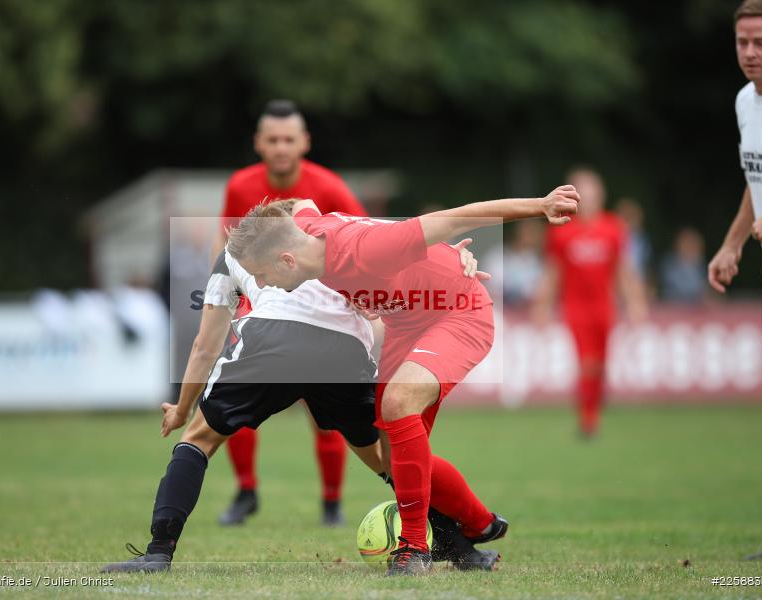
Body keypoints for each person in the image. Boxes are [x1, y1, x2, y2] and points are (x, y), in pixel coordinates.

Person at [101, 201, 500, 573]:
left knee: (199, 439)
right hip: (343, 350)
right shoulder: (318, 233)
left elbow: (206, 345)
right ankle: (463, 549)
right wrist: (452, 256)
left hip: (273, 341)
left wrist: (184, 407)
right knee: (385, 459)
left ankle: (158, 552)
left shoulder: (230, 258)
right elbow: (385, 236)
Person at [226, 186, 580, 574]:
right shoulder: (304, 230)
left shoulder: (367, 247)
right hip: (406, 325)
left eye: (262, 275)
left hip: (458, 312)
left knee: (398, 403)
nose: (262, 284)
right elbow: (299, 203)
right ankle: (481, 522)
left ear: (286, 260)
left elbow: (459, 216)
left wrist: (541, 206)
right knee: (393, 461)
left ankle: (414, 548)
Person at [210, 99, 368, 527]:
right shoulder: (240, 185)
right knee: (237, 399)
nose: (281, 147)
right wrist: (220, 298)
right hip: (259, 305)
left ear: (304, 143)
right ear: (259, 143)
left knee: (325, 409)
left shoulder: (330, 186)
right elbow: (226, 249)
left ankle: (332, 503)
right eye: (273, 139)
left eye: (288, 139)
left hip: (317, 310)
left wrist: (362, 296)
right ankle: (246, 492)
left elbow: (364, 241)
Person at [708, 0, 762, 560]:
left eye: (761, 42)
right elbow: (756, 178)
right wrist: (733, 243)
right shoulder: (744, 102)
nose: (750, 53)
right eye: (742, 42)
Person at [532, 168, 647, 438]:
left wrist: (635, 301)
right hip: (575, 307)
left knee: (602, 363)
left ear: (601, 194)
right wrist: (542, 304)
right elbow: (553, 272)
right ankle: (588, 418)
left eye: (591, 191)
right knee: (587, 362)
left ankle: (593, 408)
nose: (587, 198)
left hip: (604, 305)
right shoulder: (561, 231)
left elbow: (624, 270)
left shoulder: (613, 228)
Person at [660, 227, 707, 304]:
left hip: (695, 307)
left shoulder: (700, 263)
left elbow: (704, 288)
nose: (690, 246)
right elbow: (679, 288)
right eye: (688, 242)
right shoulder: (669, 263)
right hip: (673, 306)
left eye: (693, 243)